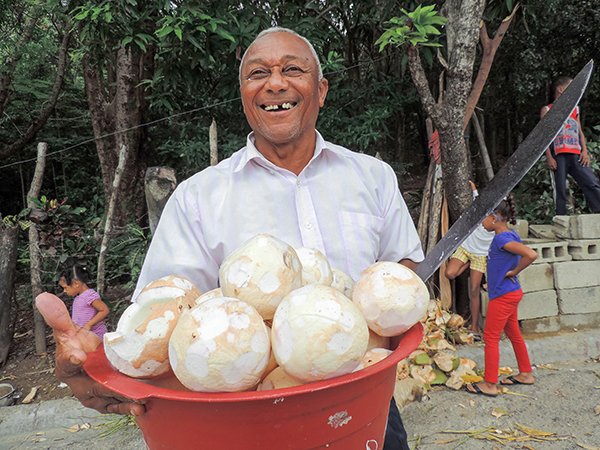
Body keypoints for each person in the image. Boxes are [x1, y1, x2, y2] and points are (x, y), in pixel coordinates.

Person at [36, 27, 424, 449]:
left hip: (365, 405)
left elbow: (401, 273)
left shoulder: (372, 178)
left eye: (292, 69)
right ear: (243, 93)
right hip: (245, 422)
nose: (275, 83)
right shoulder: (199, 197)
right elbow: (165, 312)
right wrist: (107, 361)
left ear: (321, 89)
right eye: (258, 73)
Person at [465, 195, 537, 397]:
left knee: (490, 337)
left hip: (504, 296)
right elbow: (503, 263)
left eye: (485, 217)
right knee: (513, 333)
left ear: (495, 218)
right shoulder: (510, 234)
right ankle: (525, 373)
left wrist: (514, 272)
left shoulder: (502, 239)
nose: (482, 222)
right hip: (509, 292)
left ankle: (489, 384)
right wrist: (495, 280)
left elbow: (530, 254)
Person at [542, 76, 600, 215]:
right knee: (561, 188)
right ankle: (561, 217)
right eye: (571, 87)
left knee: (591, 182)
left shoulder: (575, 109)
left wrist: (584, 151)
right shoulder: (547, 109)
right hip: (558, 155)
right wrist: (549, 157)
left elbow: (579, 131)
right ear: (561, 89)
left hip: (576, 153)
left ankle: (598, 210)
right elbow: (544, 137)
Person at [445, 181, 494, 338]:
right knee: (450, 273)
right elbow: (476, 198)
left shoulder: (498, 224)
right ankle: (466, 265)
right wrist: (473, 187)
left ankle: (474, 327)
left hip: (480, 255)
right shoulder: (480, 208)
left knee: (474, 290)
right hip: (466, 248)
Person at [58, 264, 109, 339]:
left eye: (65, 287)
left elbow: (104, 310)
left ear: (76, 283)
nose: (64, 291)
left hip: (96, 337)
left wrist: (89, 325)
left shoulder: (89, 295)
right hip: (85, 337)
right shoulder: (78, 298)